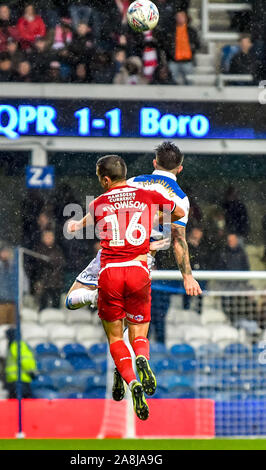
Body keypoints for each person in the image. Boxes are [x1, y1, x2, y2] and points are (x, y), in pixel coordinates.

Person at [68, 154, 185, 420]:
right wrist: (152, 220)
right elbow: (179, 212)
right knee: (139, 335)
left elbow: (97, 216)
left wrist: (76, 224)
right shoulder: (144, 194)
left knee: (115, 338)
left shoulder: (99, 202)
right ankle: (142, 358)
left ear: (105, 179)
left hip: (110, 273)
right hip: (138, 270)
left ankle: (132, 382)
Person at [66, 142, 202, 328]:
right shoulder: (179, 198)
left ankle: (95, 297)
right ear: (180, 168)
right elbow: (178, 240)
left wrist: (79, 224)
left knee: (72, 297)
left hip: (111, 254)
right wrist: (187, 276)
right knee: (134, 324)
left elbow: (105, 206)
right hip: (139, 260)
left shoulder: (133, 181)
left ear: (155, 163)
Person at [33, 229, 66, 311]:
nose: (49, 238)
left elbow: (61, 263)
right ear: (42, 238)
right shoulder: (38, 249)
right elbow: (37, 266)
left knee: (56, 307)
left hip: (56, 283)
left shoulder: (58, 249)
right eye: (47, 236)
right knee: (42, 306)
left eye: (50, 236)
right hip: (43, 283)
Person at [164, 11, 200, 85]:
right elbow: (166, 45)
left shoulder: (191, 31)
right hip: (174, 61)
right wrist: (170, 54)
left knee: (190, 83)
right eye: (178, 16)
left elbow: (197, 44)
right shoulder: (171, 31)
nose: (180, 18)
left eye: (182, 16)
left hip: (187, 61)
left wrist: (192, 47)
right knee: (173, 83)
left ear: (186, 18)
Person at [5, 327, 37, 399]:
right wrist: (32, 372)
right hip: (20, 380)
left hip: (16, 381)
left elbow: (24, 360)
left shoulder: (13, 345)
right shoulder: (17, 345)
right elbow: (25, 360)